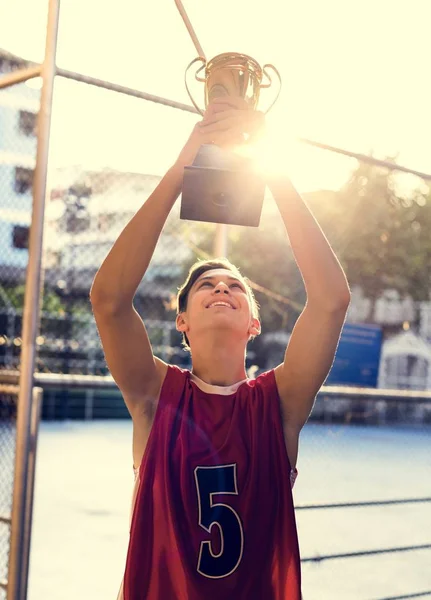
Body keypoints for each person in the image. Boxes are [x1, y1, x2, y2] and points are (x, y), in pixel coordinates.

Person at [90, 97, 351, 600]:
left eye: (235, 286)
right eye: (206, 284)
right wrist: (182, 167)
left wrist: (272, 167)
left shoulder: (277, 404)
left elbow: (331, 299)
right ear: (182, 321)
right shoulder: (155, 395)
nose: (222, 288)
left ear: (253, 322)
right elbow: (109, 300)